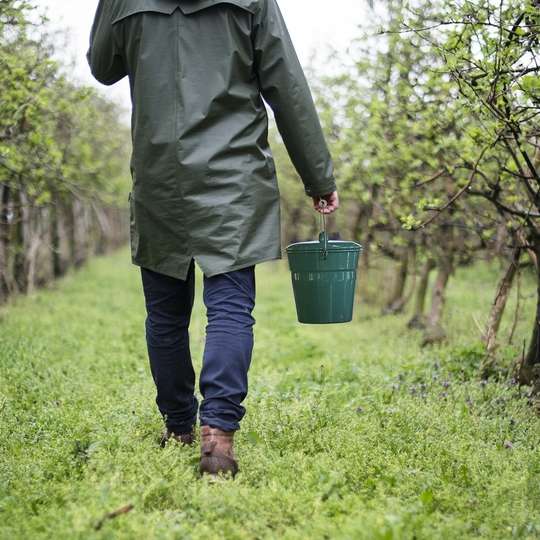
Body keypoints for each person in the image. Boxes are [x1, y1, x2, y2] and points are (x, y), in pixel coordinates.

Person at [87, 0, 339, 478]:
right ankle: (218, 435)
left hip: (160, 177)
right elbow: (286, 86)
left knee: (165, 313)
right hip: (233, 177)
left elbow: (103, 67)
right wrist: (318, 175)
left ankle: (179, 425)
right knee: (229, 308)